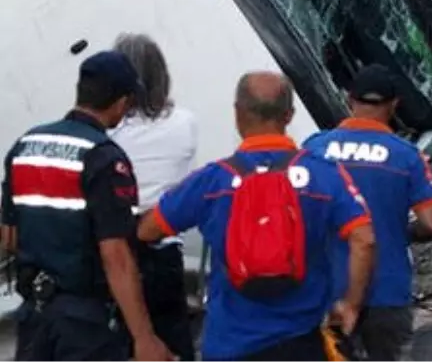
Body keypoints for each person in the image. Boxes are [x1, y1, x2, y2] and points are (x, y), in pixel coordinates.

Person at [138, 72, 375, 361]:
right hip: (301, 342)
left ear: (238, 113)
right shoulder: (324, 175)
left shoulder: (213, 181)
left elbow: (149, 231)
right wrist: (350, 304)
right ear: (288, 116)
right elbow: (364, 239)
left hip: (230, 345)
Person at [3, 51, 174, 362]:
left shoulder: (25, 145)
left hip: (34, 317)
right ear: (122, 103)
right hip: (84, 326)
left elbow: (9, 236)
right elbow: (116, 256)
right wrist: (144, 338)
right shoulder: (104, 157)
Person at [305, 65, 432, 358]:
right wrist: (402, 233)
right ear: (394, 105)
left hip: (326, 291)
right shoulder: (406, 155)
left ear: (349, 100)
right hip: (387, 289)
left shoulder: (314, 149)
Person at [109, 34, 199, 362]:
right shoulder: (184, 123)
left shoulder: (106, 132)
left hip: (114, 249)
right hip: (163, 248)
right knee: (174, 342)